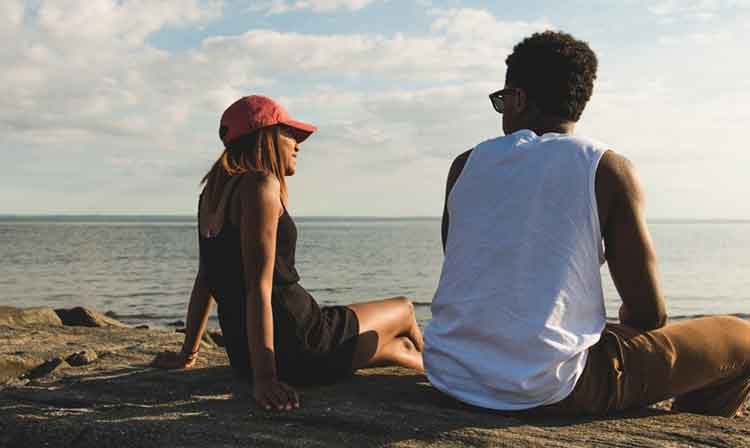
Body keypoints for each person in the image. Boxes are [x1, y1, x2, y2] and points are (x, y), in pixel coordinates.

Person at [423, 31, 750, 417]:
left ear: (519, 99)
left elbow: (476, 272)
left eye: (502, 101)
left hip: (452, 375)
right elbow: (649, 314)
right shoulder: (605, 168)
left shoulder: (465, 165)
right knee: (742, 338)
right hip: (550, 388)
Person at [153, 95, 424, 411]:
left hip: (246, 357)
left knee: (394, 347)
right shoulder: (260, 184)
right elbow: (259, 288)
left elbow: (205, 280)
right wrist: (266, 380)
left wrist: (188, 353)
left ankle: (402, 354)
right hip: (302, 345)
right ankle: (447, 376)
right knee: (404, 308)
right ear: (265, 136)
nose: (297, 144)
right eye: (290, 134)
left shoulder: (210, 196)